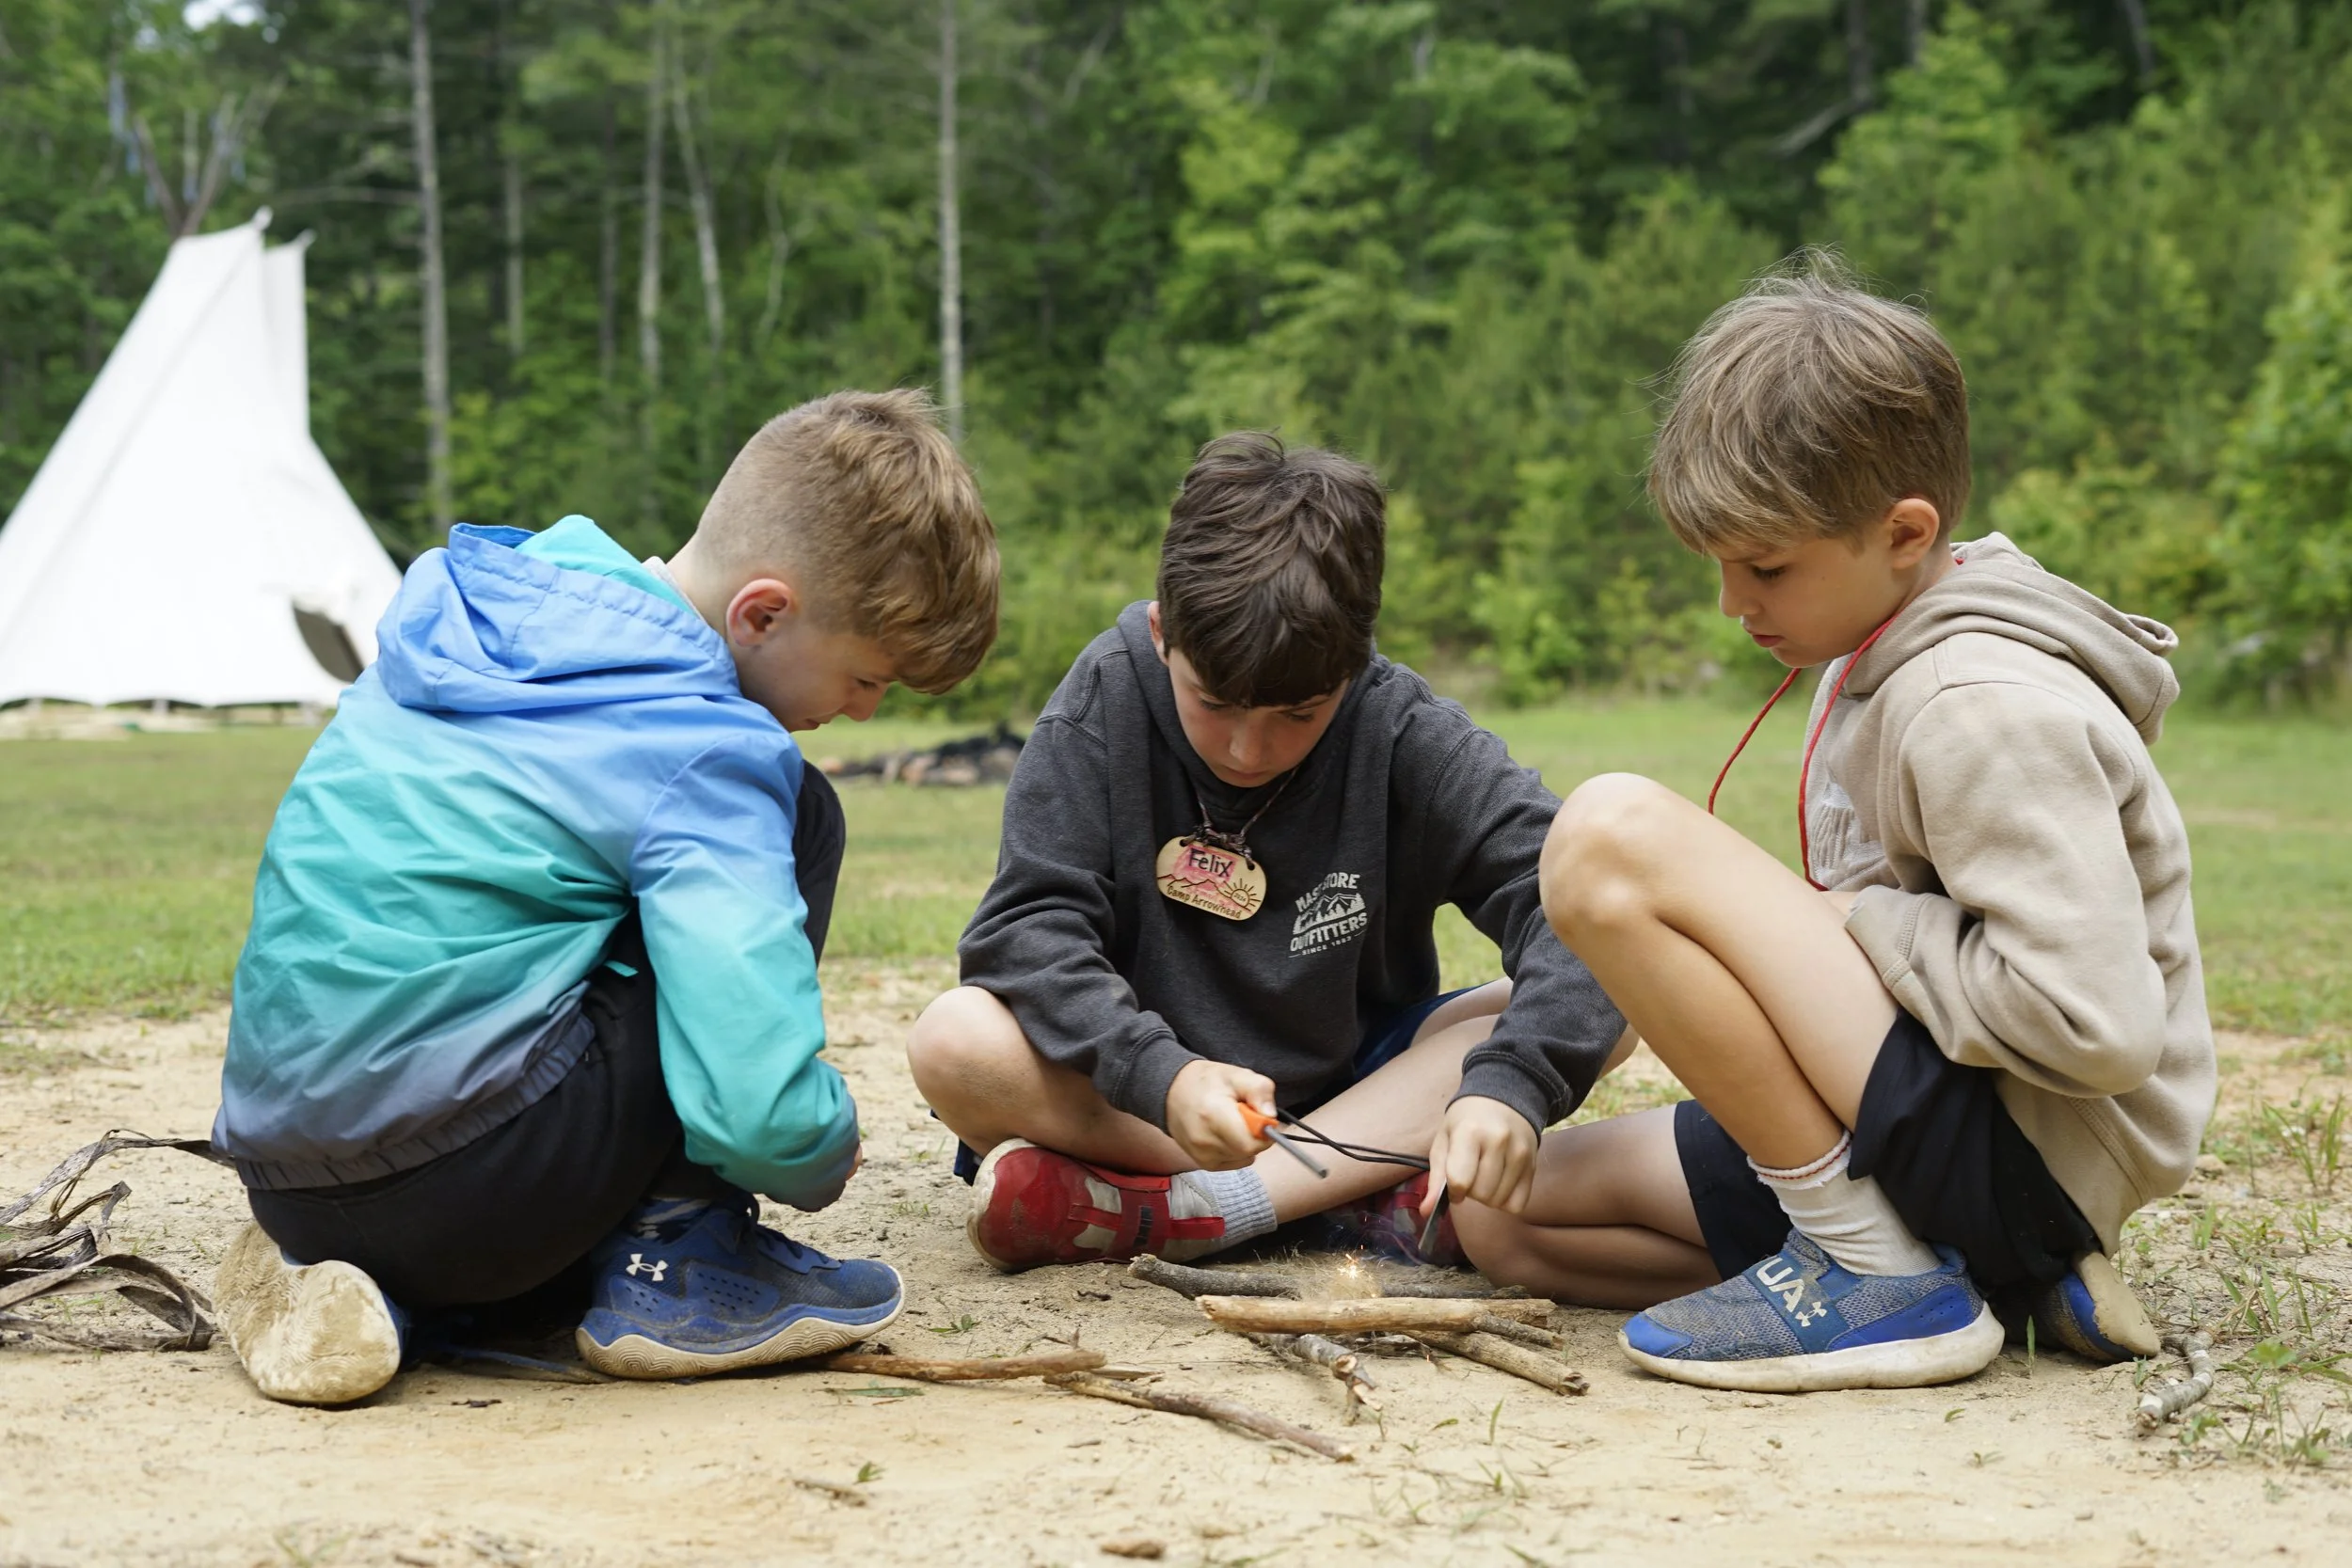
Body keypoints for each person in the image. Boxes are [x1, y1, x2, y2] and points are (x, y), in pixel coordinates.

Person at [1458, 261, 2214, 1391]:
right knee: (1503, 1223)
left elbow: (2096, 1026)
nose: (1732, 603)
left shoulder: (1975, 703)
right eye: (1717, 564)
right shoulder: (1868, 638)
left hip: (2026, 1146)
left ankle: (1876, 1273)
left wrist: (1856, 918)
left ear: (1904, 531)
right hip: (1924, 1115)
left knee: (1607, 834)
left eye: (1764, 566)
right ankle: (1984, 1279)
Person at [210, 389, 999, 1404]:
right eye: (864, 677)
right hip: (472, 1187)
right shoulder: (706, 739)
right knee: (802, 815)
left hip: (289, 1178)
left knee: (552, 953)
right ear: (762, 612)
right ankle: (678, 1259)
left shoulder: (480, 617)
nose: (858, 711)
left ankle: (378, 1297)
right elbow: (752, 1104)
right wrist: (817, 1146)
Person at [907, 432, 1629, 1274]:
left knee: (1624, 983)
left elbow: (1572, 901)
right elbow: (1026, 931)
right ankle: (1341, 1198)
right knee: (953, 1041)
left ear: (1354, 668)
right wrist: (1164, 1075)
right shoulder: (1104, 697)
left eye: (1298, 713)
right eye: (1214, 703)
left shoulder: (1403, 728)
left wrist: (1508, 1086)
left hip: (1356, 1092)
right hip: (1149, 1101)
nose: (1249, 749)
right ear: (1161, 631)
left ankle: (1203, 1209)